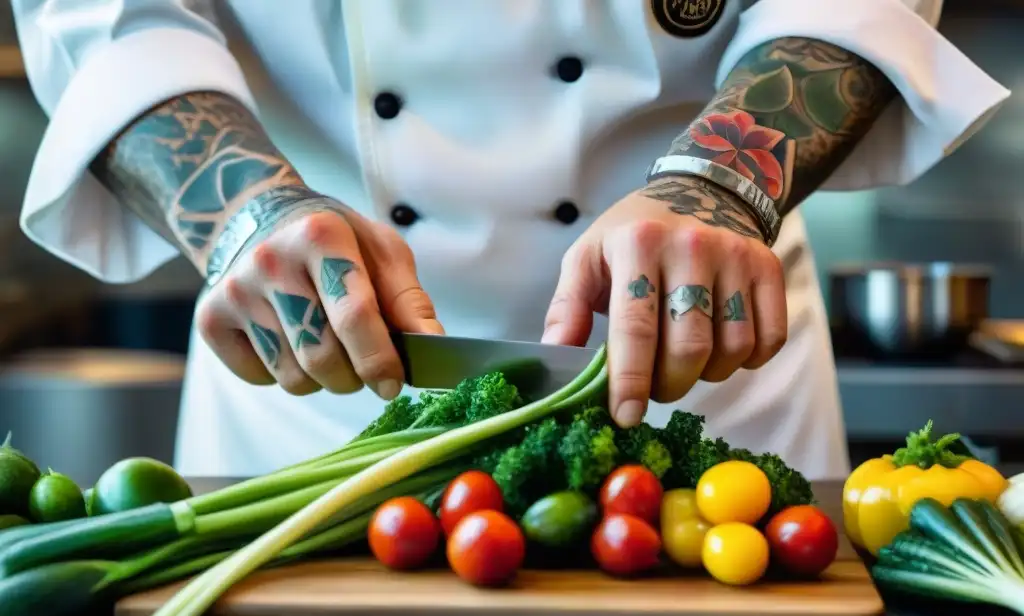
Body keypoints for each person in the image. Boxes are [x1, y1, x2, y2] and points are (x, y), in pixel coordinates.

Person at [12, 0, 1008, 481]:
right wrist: (246, 216)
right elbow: (109, 14)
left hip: (706, 368)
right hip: (313, 388)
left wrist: (718, 186)